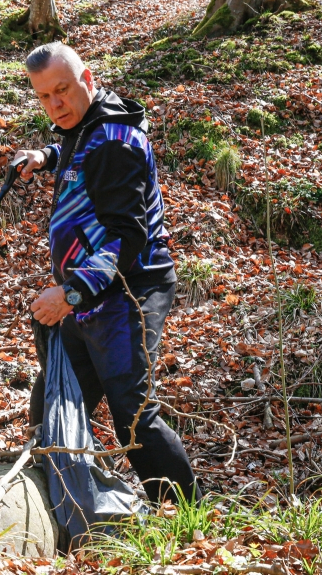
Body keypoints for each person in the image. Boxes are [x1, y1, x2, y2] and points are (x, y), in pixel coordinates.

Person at [15, 42, 200, 503]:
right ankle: (59, 504)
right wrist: (45, 156)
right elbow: (76, 154)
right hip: (89, 294)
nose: (55, 105)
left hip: (129, 289)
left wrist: (70, 294)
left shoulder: (115, 144)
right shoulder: (87, 124)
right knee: (54, 401)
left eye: (63, 90)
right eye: (44, 97)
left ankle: (188, 514)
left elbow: (127, 239)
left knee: (130, 411)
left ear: (88, 80)